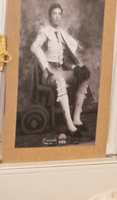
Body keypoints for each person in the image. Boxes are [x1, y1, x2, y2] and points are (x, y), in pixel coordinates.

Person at [30, 2, 88, 134]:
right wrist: (45, 67)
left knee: (83, 77)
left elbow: (65, 60)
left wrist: (74, 67)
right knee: (60, 81)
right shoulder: (45, 32)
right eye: (54, 13)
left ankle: (77, 119)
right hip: (48, 75)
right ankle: (69, 125)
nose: (57, 16)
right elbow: (34, 47)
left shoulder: (62, 34)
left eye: (59, 14)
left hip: (60, 71)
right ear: (50, 16)